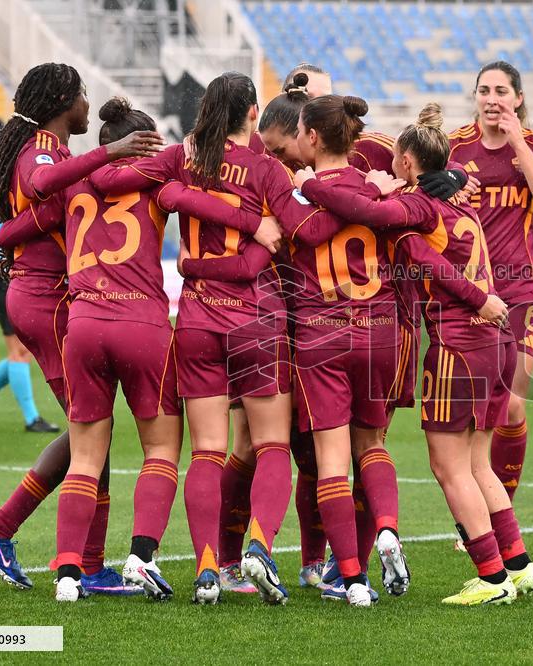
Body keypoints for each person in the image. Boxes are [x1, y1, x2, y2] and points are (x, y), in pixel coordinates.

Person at [89, 72, 332, 607]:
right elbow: (306, 230)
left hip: (198, 318)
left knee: (206, 452)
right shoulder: (267, 169)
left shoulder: (185, 157)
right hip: (257, 320)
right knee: (272, 445)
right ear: (253, 114)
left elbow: (106, 180)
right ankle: (260, 546)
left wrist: (179, 195)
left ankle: (206, 569)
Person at [301, 103, 533, 605]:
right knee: (478, 465)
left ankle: (492, 578)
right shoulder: (459, 202)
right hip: (497, 344)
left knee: (449, 468)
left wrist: (311, 185)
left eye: (396, 160)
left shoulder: (418, 206)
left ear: (407, 162)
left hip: (459, 346)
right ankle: (519, 566)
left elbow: (371, 216)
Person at [0, 62, 162, 594]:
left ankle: (47, 548)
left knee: (90, 432)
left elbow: (25, 222)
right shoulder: (43, 150)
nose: (87, 103)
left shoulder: (50, 150)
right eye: (82, 94)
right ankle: (16, 537)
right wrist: (111, 152)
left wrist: (11, 234)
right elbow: (40, 184)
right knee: (89, 431)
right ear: (62, 102)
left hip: (45, 295)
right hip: (47, 298)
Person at [285, 93, 411, 608]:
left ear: (313, 138)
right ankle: (387, 528)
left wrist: (305, 186)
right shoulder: (377, 185)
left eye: (299, 132)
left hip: (322, 333)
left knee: (332, 462)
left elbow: (295, 237)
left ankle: (352, 581)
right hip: (378, 329)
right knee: (373, 445)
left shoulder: (298, 193)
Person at [448, 61, 533, 502]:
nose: (492, 99)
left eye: (501, 91)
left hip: (521, 289)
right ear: (475, 97)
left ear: (518, 98)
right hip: (469, 293)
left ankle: (502, 509)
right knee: (473, 410)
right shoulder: (454, 146)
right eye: (484, 90)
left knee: (513, 404)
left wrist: (517, 141)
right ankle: (476, 510)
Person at [0, 209, 60, 434]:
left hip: (25, 286)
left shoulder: (29, 209)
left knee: (20, 353)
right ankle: (31, 418)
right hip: (8, 286)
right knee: (20, 353)